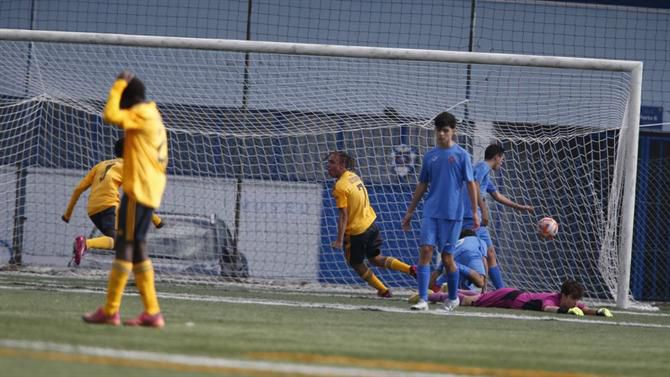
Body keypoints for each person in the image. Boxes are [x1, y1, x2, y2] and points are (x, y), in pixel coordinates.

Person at [82, 70, 168, 328]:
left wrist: (118, 85)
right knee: (138, 248)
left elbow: (109, 115)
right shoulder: (152, 114)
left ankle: (110, 310)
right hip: (149, 188)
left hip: (139, 188)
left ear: (128, 100)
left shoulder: (140, 114)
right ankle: (152, 312)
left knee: (125, 246)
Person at [401, 112, 479, 312]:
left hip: (453, 216)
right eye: (439, 131)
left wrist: (475, 212)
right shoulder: (430, 156)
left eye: (446, 131)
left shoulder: (462, 156)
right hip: (431, 212)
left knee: (446, 258)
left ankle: (453, 298)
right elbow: (422, 184)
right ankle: (423, 299)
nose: (442, 134)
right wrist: (410, 211)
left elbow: (470, 184)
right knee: (426, 251)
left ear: (453, 131)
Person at [327, 150, 416, 297]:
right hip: (371, 225)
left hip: (357, 233)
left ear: (342, 165)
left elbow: (343, 215)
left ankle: (383, 289)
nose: (328, 166)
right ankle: (410, 269)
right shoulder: (353, 177)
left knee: (356, 263)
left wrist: (339, 240)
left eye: (332, 162)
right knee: (375, 258)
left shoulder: (340, 186)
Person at [62, 138, 164, 266]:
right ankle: (85, 243)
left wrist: (67, 214)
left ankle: (132, 271)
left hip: (93, 210)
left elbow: (78, 189)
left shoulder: (101, 165)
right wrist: (156, 220)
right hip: (109, 206)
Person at [462, 143, 533, 290]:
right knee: (478, 254)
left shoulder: (485, 173)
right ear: (497, 157)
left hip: (474, 219)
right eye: (502, 159)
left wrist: (520, 207)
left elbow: (497, 195)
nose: (502, 163)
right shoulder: (482, 167)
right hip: (471, 218)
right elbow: (474, 185)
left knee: (490, 253)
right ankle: (471, 288)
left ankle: (499, 291)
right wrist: (484, 210)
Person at [428, 279, 614, 317]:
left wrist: (597, 312)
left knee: (480, 296)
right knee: (471, 302)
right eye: (572, 299)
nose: (575, 303)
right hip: (508, 297)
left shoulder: (570, 302)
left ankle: (446, 291)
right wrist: (566, 311)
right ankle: (433, 296)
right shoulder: (553, 300)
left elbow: (582, 308)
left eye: (575, 300)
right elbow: (547, 309)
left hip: (511, 298)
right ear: (564, 295)